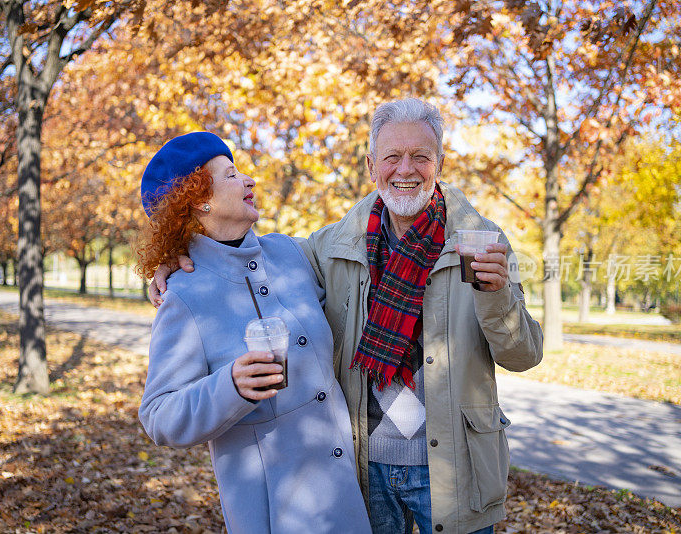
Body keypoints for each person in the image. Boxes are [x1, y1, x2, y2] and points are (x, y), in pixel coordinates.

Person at [150, 99, 543, 534]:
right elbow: (235, 263)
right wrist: (176, 256)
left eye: (421, 156)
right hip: (362, 471)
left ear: (440, 163)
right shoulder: (333, 246)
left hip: (452, 468)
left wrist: (497, 293)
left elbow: (524, 354)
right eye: (392, 157)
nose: (406, 169)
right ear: (372, 165)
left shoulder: (485, 243)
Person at [135, 132, 371, 534]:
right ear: (198, 199)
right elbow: (158, 415)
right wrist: (230, 386)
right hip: (276, 514)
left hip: (347, 491)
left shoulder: (289, 254)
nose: (249, 180)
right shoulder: (185, 296)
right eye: (231, 175)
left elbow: (358, 232)